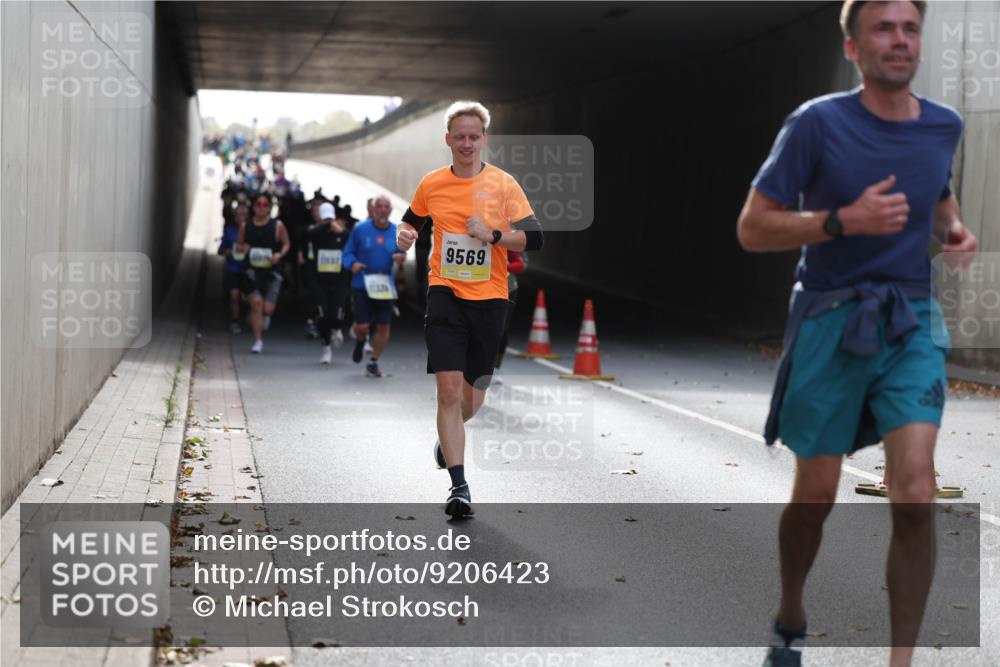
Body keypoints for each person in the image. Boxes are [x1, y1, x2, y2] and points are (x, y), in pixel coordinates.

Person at [735, 3, 978, 666]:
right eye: (883, 28)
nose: (899, 41)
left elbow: (938, 193)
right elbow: (753, 228)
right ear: (852, 45)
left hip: (910, 320)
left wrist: (951, 230)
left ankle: (900, 658)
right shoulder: (817, 124)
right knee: (814, 496)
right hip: (829, 318)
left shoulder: (943, 126)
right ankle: (790, 612)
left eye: (910, 28)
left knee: (917, 490)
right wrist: (842, 221)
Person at [395, 101, 543, 518]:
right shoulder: (432, 184)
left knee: (471, 400)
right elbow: (411, 222)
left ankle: (449, 437)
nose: (465, 142)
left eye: (473, 136)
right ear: (448, 139)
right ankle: (459, 486)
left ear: (484, 140)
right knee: (447, 390)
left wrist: (494, 234)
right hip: (444, 293)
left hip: (491, 299)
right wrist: (404, 237)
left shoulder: (502, 184)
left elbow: (535, 239)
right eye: (458, 136)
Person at [342, 195, 405, 377]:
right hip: (362, 283)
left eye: (386, 207)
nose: (383, 210)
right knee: (362, 327)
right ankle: (360, 339)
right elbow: (348, 253)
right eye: (379, 206)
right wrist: (352, 263)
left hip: (384, 285)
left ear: (391, 210)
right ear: (373, 209)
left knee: (384, 327)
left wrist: (400, 257)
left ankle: (373, 361)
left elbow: (402, 252)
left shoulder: (396, 231)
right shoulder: (360, 229)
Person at [238, 194, 292, 354]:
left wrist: (279, 255)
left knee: (267, 309)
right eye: (258, 204)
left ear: (269, 207)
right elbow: (239, 244)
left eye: (265, 205)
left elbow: (287, 243)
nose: (261, 208)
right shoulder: (245, 226)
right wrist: (243, 248)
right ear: (253, 207)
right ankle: (258, 341)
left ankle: (263, 317)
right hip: (251, 271)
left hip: (271, 272)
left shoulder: (277, 225)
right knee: (256, 303)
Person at [307, 202, 351, 364]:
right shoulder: (316, 232)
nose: (328, 221)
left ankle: (337, 328)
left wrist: (341, 229)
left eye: (330, 218)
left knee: (337, 317)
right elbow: (307, 235)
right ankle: (326, 348)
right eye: (325, 218)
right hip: (320, 282)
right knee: (323, 317)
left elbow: (352, 239)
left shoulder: (342, 232)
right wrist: (324, 224)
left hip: (339, 282)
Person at [492, 250, 526, 384]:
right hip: (478, 288)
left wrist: (502, 265)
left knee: (500, 330)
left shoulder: (509, 236)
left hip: (507, 289)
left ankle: (494, 367)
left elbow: (521, 264)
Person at [218, 201, 248, 333]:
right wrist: (228, 251)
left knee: (246, 297)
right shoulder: (230, 231)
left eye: (243, 214)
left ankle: (249, 317)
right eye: (238, 214)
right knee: (234, 295)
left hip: (248, 269)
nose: (240, 217)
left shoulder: (252, 230)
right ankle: (235, 320)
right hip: (233, 268)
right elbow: (220, 250)